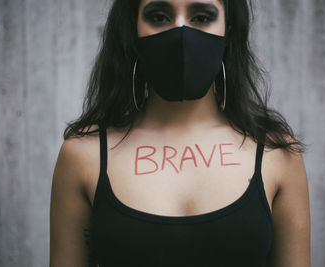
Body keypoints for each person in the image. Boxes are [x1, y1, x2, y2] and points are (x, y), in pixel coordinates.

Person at [50, 0, 311, 266]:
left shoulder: (274, 154)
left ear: (228, 32)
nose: (181, 32)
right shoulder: (83, 156)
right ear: (132, 30)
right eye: (159, 16)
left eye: (201, 16)